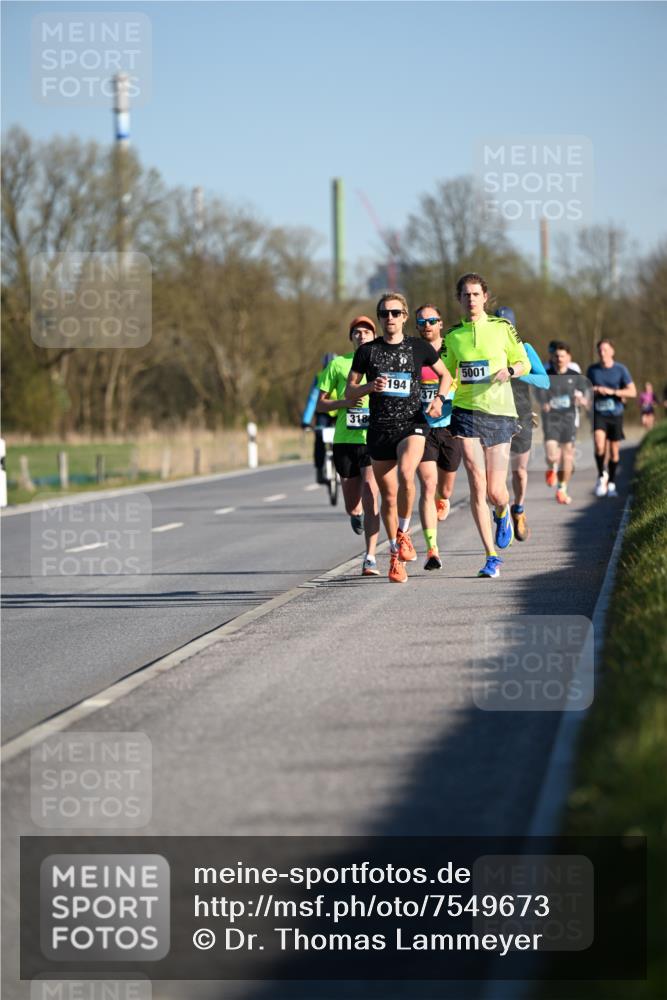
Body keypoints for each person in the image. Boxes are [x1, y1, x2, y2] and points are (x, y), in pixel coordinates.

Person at [346, 292, 451, 583]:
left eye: (395, 313)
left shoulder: (419, 347)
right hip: (379, 430)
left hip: (412, 423)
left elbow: (446, 375)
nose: (389, 318)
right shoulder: (367, 352)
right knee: (388, 498)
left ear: (404, 316)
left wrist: (440, 399)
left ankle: (404, 535)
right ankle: (395, 555)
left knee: (408, 472)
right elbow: (349, 392)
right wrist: (370, 387)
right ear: (379, 318)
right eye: (384, 313)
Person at [442, 274, 529, 579]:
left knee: (495, 491)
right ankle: (491, 556)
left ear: (485, 297)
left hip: (500, 413)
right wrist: (440, 396)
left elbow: (524, 363)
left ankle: (503, 512)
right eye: (465, 295)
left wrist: (510, 370)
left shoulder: (502, 328)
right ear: (459, 300)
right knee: (477, 483)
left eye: (476, 294)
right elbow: (447, 373)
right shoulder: (453, 336)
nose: (471, 300)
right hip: (466, 412)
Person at [316, 317, 381, 575]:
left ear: (374, 336)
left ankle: (371, 556)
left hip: (372, 439)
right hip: (345, 439)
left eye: (366, 331)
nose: (362, 335)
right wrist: (343, 403)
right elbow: (321, 404)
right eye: (357, 332)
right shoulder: (338, 365)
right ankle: (355, 514)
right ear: (351, 338)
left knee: (370, 491)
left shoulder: (380, 363)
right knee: (353, 503)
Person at [495, 307, 550, 541]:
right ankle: (501, 512)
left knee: (519, 471)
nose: (505, 329)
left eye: (508, 325)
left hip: (522, 416)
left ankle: (518, 509)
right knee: (494, 474)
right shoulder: (488, 352)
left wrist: (516, 373)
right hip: (494, 417)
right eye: (500, 324)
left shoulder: (525, 349)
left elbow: (544, 381)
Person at [415, 303, 462, 571]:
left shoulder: (452, 347)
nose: (427, 325)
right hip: (422, 426)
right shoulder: (413, 352)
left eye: (432, 320)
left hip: (450, 425)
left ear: (441, 323)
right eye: (422, 322)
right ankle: (432, 549)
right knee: (428, 485)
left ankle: (444, 500)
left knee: (444, 490)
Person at [538, 342, 590, 505]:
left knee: (568, 454)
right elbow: (538, 393)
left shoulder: (575, 375)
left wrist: (583, 399)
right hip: (551, 420)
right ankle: (552, 467)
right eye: (556, 356)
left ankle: (562, 488)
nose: (559, 359)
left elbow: (586, 392)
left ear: (569, 358)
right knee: (552, 455)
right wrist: (543, 402)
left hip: (568, 419)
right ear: (552, 357)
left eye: (562, 356)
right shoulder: (545, 375)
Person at [586, 339, 636, 497]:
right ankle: (602, 476)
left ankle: (612, 483)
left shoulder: (621, 369)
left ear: (612, 351)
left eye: (605, 350)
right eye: (600, 350)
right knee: (599, 445)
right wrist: (593, 390)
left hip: (615, 414)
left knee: (614, 453)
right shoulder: (592, 370)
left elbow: (632, 392)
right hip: (598, 413)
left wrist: (612, 392)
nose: (602, 353)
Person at [301, 353, 337, 484]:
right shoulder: (319, 377)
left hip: (339, 410)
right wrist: (306, 421)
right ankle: (319, 468)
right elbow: (313, 399)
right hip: (323, 411)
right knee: (319, 436)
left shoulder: (343, 373)